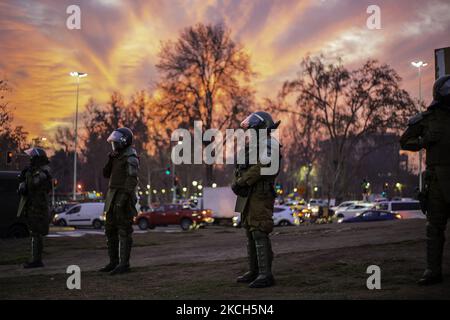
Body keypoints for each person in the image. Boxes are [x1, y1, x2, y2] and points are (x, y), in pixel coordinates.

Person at [400, 75, 450, 286]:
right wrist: (423, 141)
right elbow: (405, 141)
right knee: (435, 228)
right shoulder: (427, 118)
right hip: (437, 181)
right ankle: (433, 271)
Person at [232, 111, 281, 288]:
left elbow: (263, 165)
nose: (249, 132)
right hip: (248, 194)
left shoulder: (269, 144)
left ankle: (265, 274)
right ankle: (255, 271)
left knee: (259, 231)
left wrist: (242, 182)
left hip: (260, 194)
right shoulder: (254, 145)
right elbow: (241, 167)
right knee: (250, 232)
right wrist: (237, 183)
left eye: (252, 128)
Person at [99, 127, 139, 275]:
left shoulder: (131, 156)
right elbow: (105, 174)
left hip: (124, 197)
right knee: (110, 229)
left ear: (124, 142)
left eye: (116, 142)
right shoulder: (116, 156)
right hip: (111, 196)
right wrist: (110, 159)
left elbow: (132, 180)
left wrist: (122, 199)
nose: (114, 145)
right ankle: (113, 262)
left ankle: (124, 264)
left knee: (124, 230)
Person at [17, 147, 52, 268]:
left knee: (36, 234)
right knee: (34, 233)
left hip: (38, 208)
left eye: (32, 157)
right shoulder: (35, 171)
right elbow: (24, 190)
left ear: (37, 159)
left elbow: (33, 185)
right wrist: (23, 178)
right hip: (32, 206)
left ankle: (36, 260)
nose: (30, 159)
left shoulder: (42, 172)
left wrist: (28, 175)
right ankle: (35, 259)